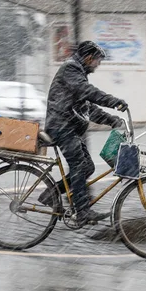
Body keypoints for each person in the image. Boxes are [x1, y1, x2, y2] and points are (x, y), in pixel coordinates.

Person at [39, 40, 128, 226]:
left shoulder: (77, 73)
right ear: (89, 58)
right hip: (60, 126)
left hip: (68, 127)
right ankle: (82, 212)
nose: (98, 65)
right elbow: (87, 92)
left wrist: (111, 119)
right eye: (97, 61)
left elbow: (87, 107)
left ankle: (51, 194)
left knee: (88, 167)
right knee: (79, 165)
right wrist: (113, 101)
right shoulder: (71, 69)